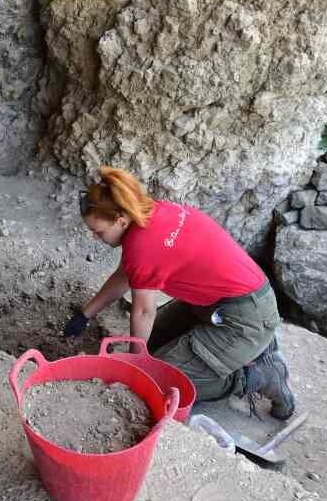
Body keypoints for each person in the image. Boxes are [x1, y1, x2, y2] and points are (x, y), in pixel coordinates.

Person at [66, 167, 296, 419]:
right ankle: (248, 349)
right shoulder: (153, 211)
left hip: (243, 316)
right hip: (223, 300)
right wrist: (85, 315)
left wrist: (136, 370)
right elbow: (125, 275)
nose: (95, 237)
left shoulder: (141, 247)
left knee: (158, 381)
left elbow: (144, 310)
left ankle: (258, 375)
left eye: (98, 231)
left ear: (121, 220)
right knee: (152, 351)